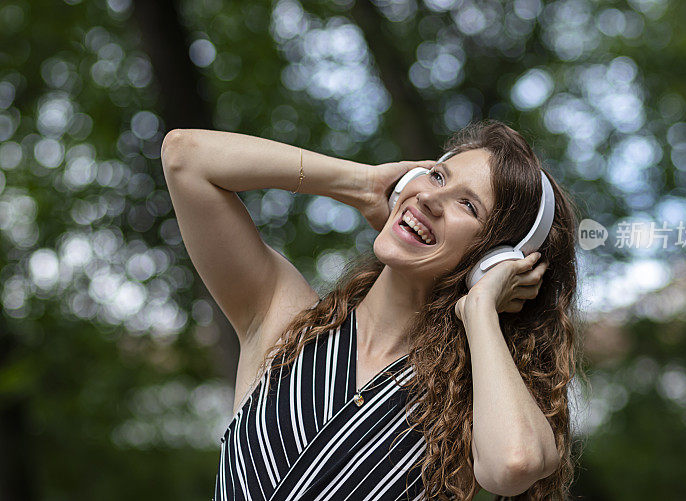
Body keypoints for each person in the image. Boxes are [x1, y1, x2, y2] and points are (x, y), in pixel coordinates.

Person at [160, 119, 582, 500]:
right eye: (437, 175)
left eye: (468, 206)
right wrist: (359, 183)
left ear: (498, 259)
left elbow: (514, 464)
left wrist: (480, 309)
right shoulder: (283, 319)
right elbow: (185, 156)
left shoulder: (464, 408)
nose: (432, 199)